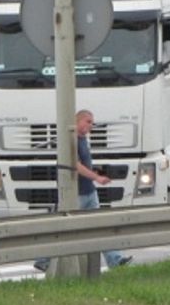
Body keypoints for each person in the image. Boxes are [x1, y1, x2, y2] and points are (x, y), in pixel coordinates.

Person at [34, 109, 132, 272]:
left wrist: (96, 173)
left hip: (89, 192)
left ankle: (115, 259)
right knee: (64, 229)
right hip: (75, 194)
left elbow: (85, 164)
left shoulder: (84, 140)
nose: (91, 125)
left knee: (100, 226)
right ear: (78, 121)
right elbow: (76, 165)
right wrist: (96, 177)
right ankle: (43, 258)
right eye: (88, 121)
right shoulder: (70, 140)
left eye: (92, 122)